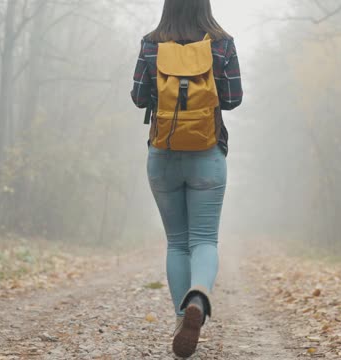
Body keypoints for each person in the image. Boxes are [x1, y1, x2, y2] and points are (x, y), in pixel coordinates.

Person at [130, 0, 242, 357]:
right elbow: (232, 99)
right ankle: (198, 296)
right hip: (207, 153)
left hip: (162, 154)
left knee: (177, 242)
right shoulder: (222, 42)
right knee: (204, 239)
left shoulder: (151, 43)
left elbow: (137, 98)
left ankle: (182, 318)